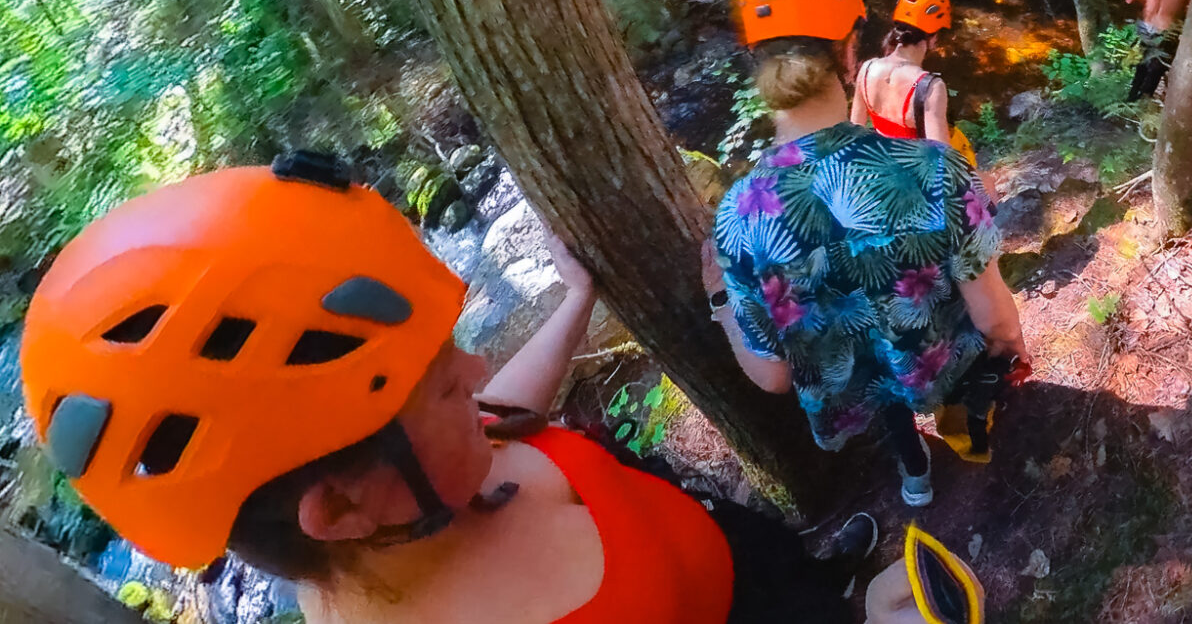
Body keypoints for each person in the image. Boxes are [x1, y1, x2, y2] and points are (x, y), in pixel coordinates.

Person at [19, 152, 885, 624]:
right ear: (342, 506)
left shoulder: (423, 481)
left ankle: (825, 574)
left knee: (788, 569)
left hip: (744, 566)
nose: (471, 374)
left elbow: (500, 412)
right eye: (439, 386)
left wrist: (575, 303)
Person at [713, 0, 1028, 509]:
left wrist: (717, 298)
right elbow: (993, 317)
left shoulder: (739, 215)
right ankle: (973, 444)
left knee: (885, 398)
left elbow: (773, 377)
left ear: (753, 63)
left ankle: (915, 476)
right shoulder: (935, 170)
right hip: (937, 362)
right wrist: (1010, 350)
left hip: (854, 384)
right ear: (849, 49)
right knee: (931, 377)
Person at [852, 0, 977, 165]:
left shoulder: (867, 69)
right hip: (912, 175)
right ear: (934, 38)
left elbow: (855, 132)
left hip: (880, 164)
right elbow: (942, 158)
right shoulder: (931, 87)